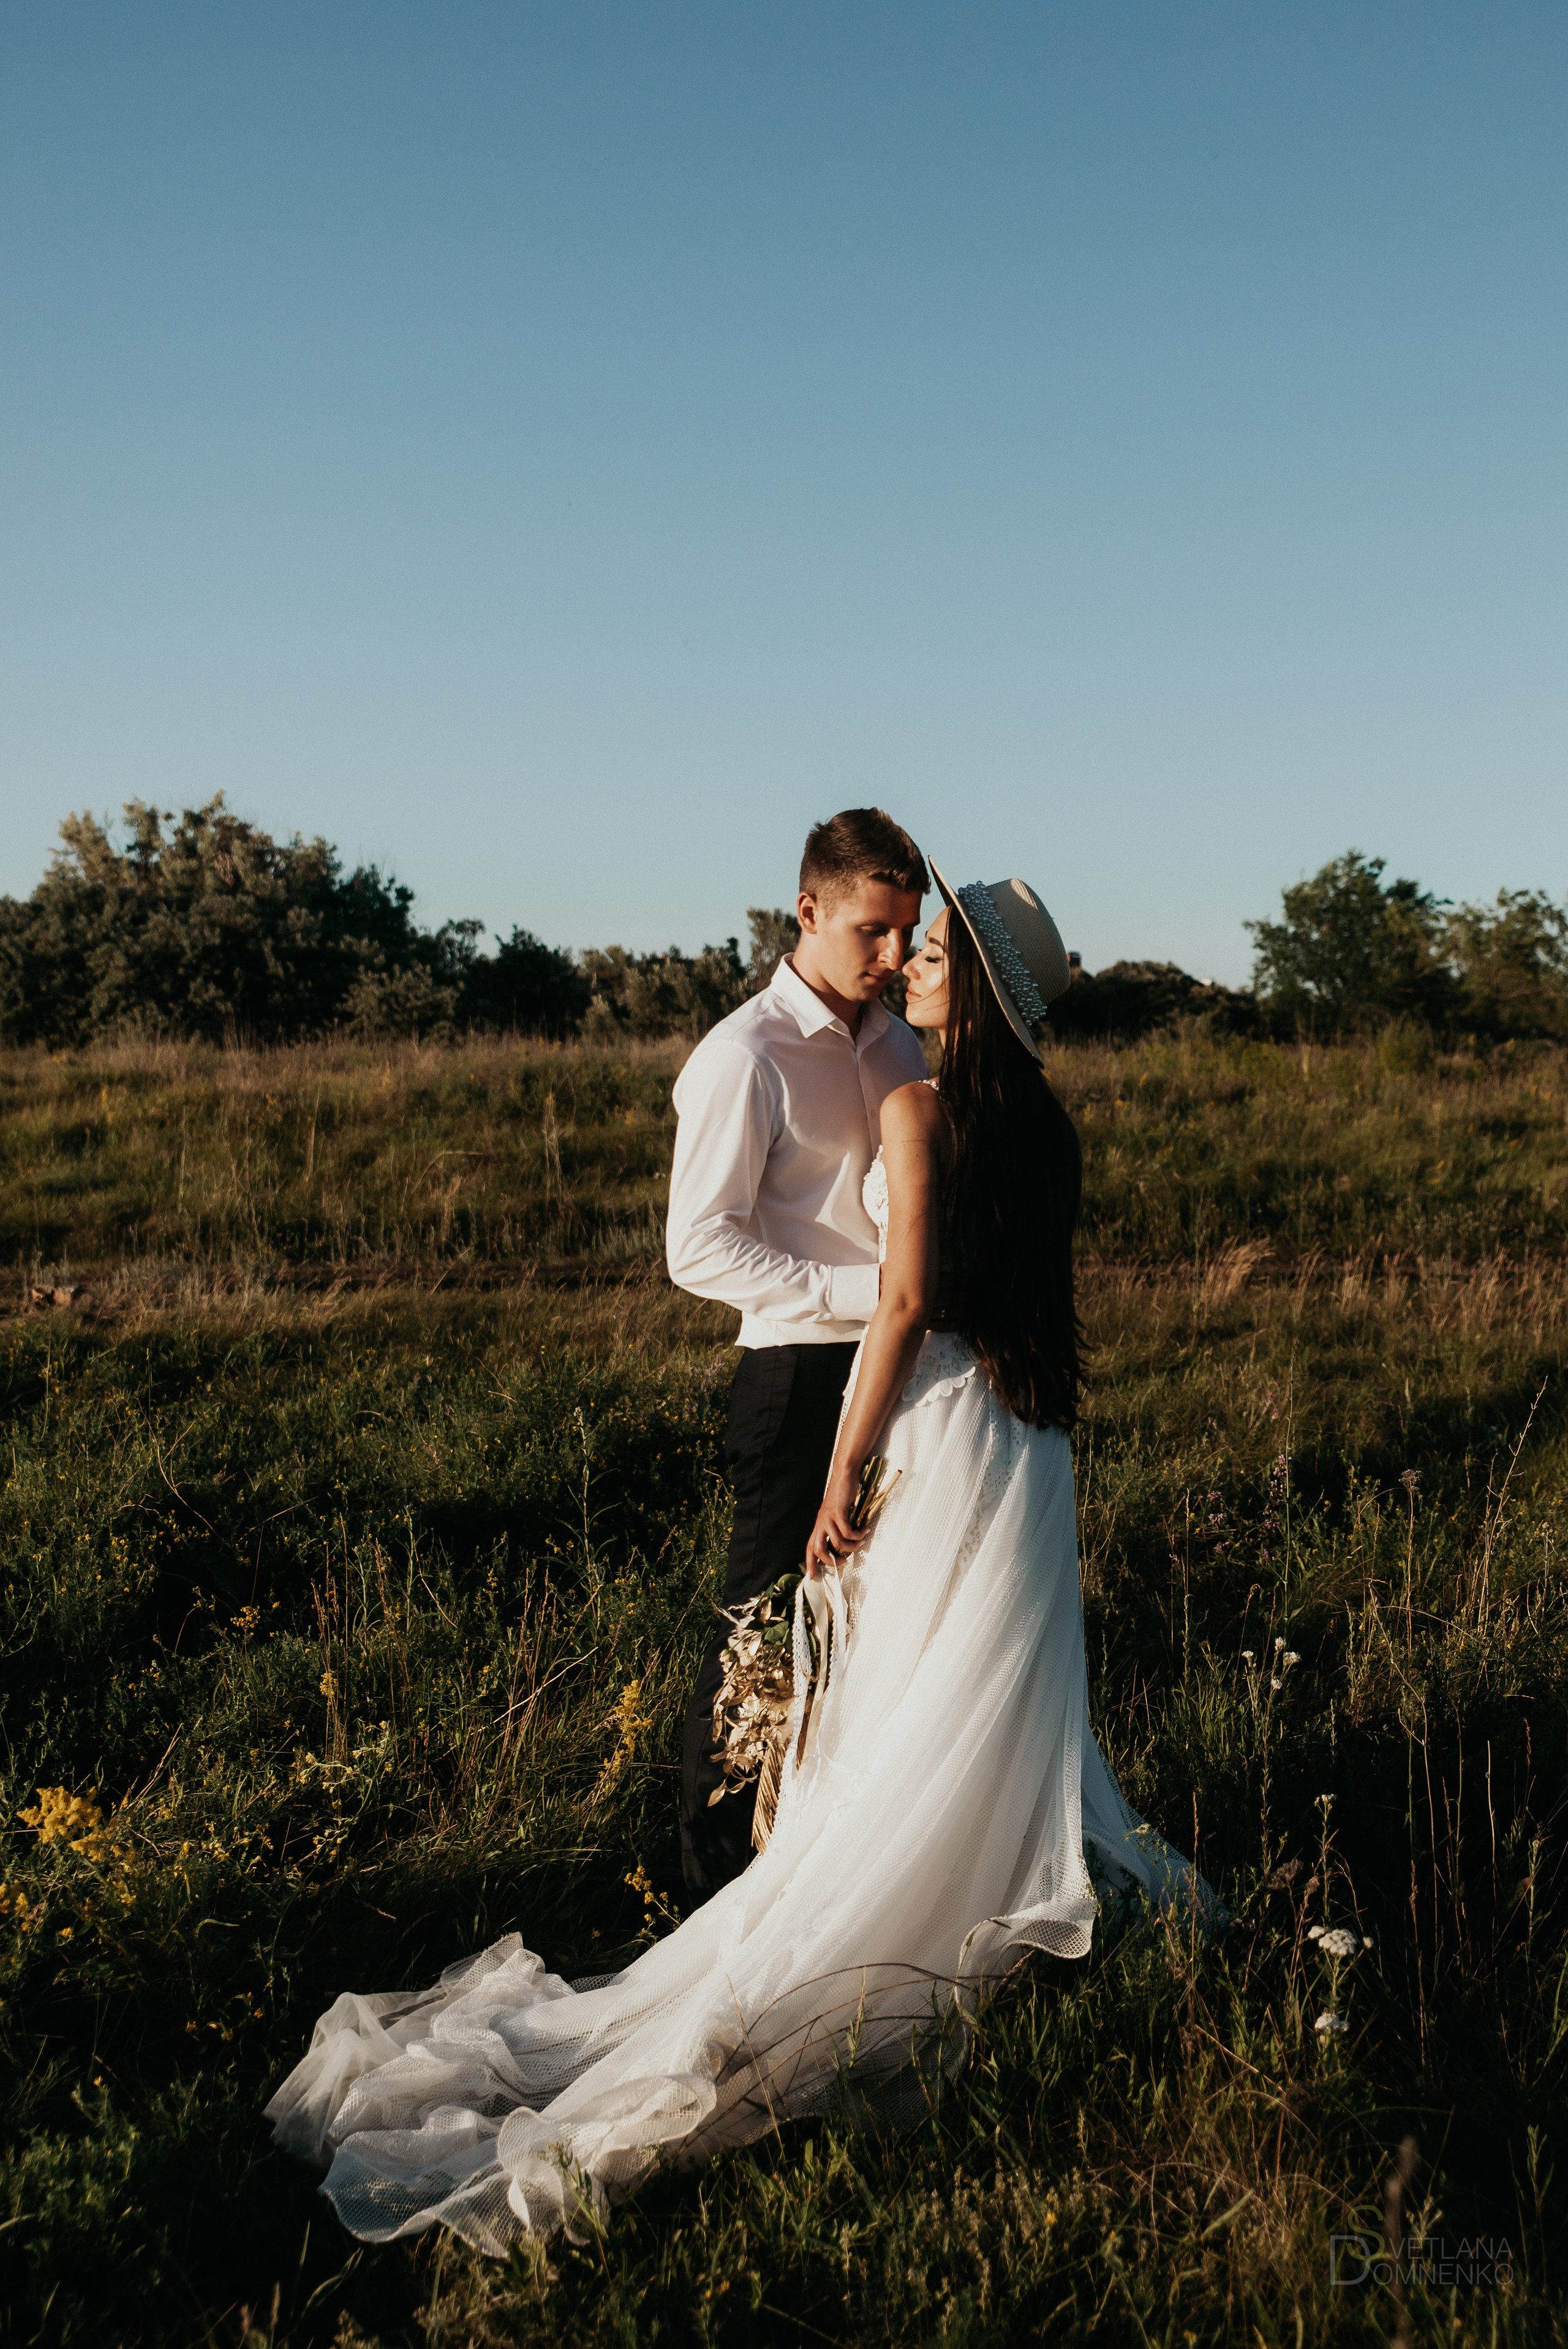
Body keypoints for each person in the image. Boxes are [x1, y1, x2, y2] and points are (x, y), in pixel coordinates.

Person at [265, 855, 1210, 2257]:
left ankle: (856, 1918)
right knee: (993, 1695)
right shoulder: (1045, 1126)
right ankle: (985, 1900)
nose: (909, 963)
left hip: (940, 1426)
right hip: (1029, 1444)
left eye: (933, 952)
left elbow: (898, 1307)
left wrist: (843, 1471)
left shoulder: (914, 1105)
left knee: (896, 1696)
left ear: (975, 994)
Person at [663, 806, 930, 1898]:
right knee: (756, 1640)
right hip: (797, 1373)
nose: (895, 956)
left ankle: (810, 1866)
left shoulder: (896, 1038)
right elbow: (696, 1247)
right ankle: (703, 1885)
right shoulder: (744, 1055)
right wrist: (864, 1295)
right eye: (873, 930)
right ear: (809, 910)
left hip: (902, 1374)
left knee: (863, 1634)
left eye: (908, 933)